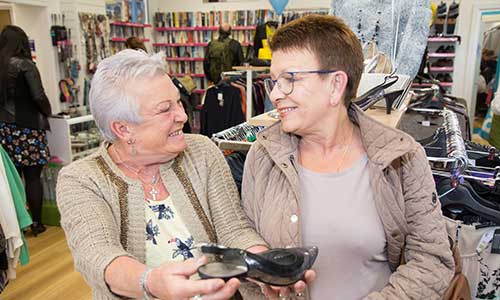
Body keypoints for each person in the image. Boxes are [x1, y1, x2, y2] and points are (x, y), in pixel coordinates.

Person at [241, 15, 454, 299]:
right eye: (274, 81)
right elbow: (247, 241)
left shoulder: (400, 158)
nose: (276, 94)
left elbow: (431, 260)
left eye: (289, 79)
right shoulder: (263, 154)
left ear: (335, 85)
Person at [56, 49, 272, 300]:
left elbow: (234, 230)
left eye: (179, 102)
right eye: (164, 109)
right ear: (123, 128)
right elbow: (98, 255)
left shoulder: (202, 151)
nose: (182, 115)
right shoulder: (82, 179)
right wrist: (151, 283)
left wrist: (267, 267)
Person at [0, 25, 52, 236]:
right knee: (32, 177)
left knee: (11, 178)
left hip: (4, 129)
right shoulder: (25, 65)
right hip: (28, 128)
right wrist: (48, 112)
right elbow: (38, 96)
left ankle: (17, 225)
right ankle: (37, 223)